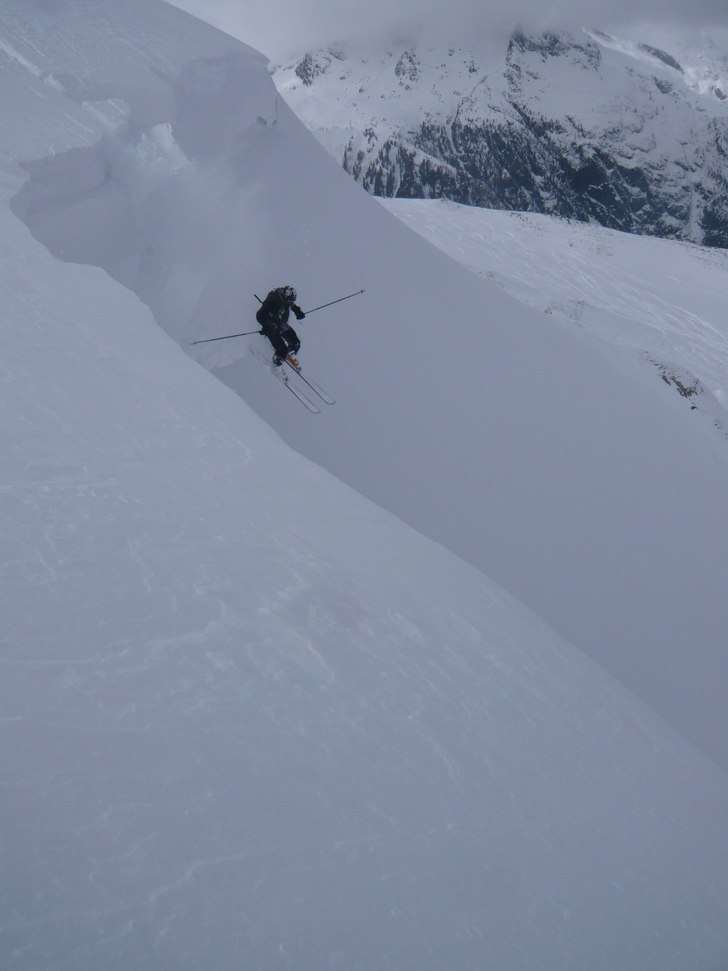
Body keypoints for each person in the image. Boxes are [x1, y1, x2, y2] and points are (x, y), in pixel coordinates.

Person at [256, 285, 306, 366]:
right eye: (289, 301)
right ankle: (277, 362)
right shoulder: (274, 300)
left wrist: (297, 311)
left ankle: (289, 354)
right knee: (282, 351)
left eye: (290, 301)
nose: (289, 303)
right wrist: (265, 326)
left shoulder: (285, 300)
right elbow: (260, 314)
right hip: (271, 327)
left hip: (281, 324)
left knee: (296, 343)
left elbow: (291, 305)